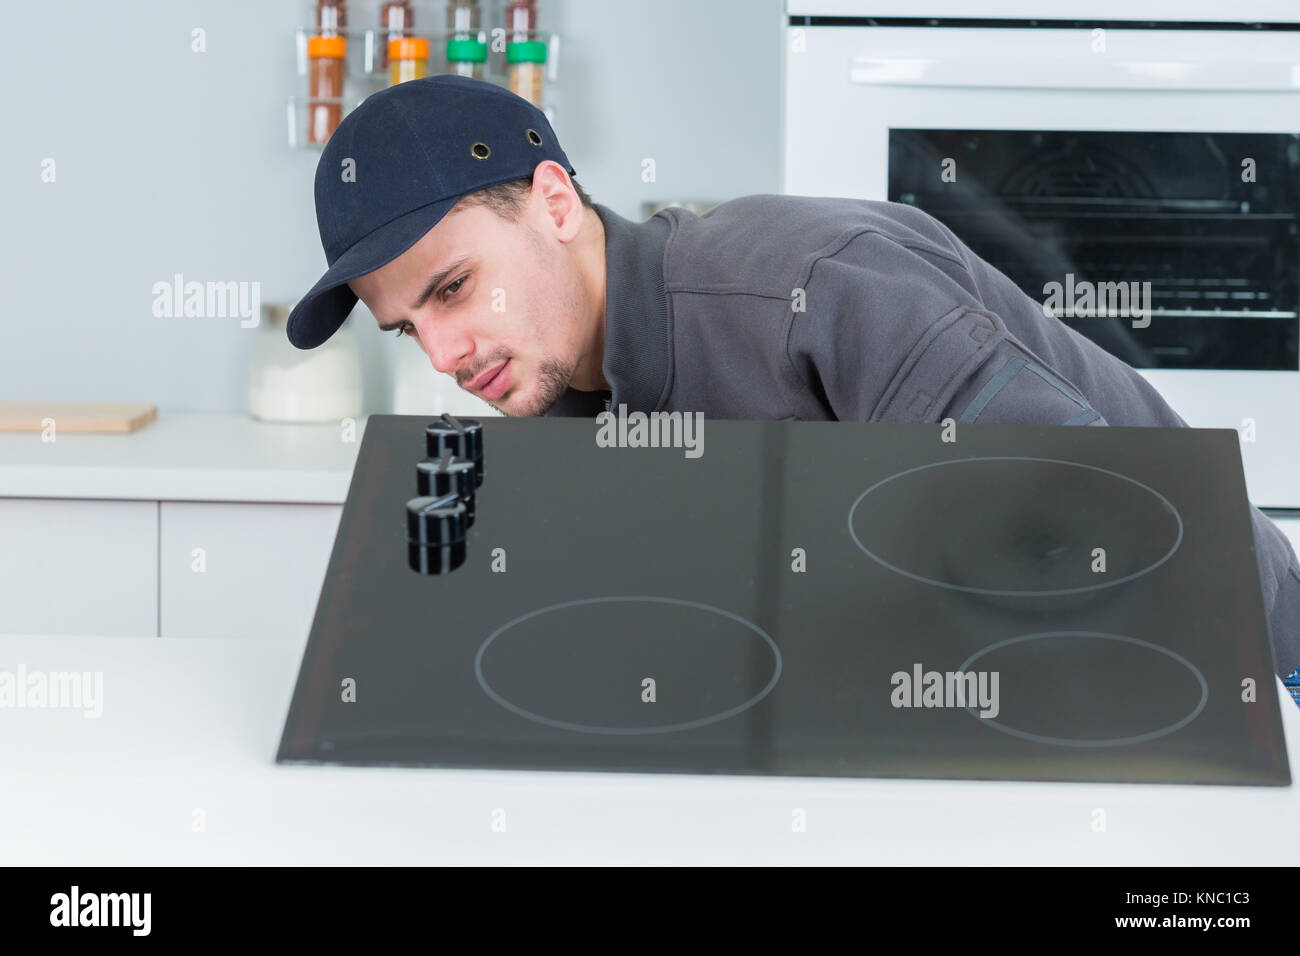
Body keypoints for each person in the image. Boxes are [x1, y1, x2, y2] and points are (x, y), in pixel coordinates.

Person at [287, 75, 1300, 678]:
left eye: (455, 288)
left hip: (1241, 655)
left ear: (554, 202)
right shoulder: (561, 392)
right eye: (407, 326)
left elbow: (1091, 522)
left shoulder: (800, 284)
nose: (446, 355)